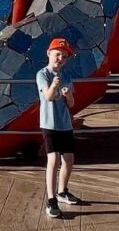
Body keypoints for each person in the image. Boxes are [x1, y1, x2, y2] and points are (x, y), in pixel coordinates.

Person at [36, 38, 85, 218]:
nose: (60, 59)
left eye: (63, 57)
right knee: (53, 160)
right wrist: (54, 86)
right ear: (49, 54)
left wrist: (68, 94)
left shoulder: (67, 77)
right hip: (49, 123)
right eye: (57, 55)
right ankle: (51, 199)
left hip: (65, 123)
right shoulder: (42, 74)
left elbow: (71, 104)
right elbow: (48, 97)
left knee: (69, 159)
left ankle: (62, 191)